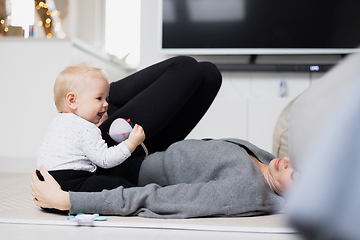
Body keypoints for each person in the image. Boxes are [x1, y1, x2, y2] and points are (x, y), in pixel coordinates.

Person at [31, 56, 298, 218]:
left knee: (185, 68)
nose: (288, 163)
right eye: (297, 162)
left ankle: (93, 102)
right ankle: (95, 96)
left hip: (122, 158)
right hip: (154, 149)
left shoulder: (248, 193)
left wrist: (68, 201)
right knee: (208, 75)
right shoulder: (270, 162)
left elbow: (162, 200)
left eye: (296, 176)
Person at [37, 63, 146, 192]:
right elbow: (105, 159)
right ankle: (140, 195)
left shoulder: (57, 122)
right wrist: (132, 143)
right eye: (99, 98)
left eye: (106, 98)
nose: (106, 104)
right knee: (121, 186)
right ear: (72, 100)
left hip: (45, 182)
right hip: (70, 182)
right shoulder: (86, 127)